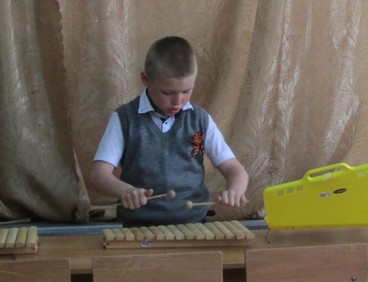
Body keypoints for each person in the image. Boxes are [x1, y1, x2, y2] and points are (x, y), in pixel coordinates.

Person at [89, 36, 249, 226]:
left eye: (186, 91)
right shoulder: (125, 119)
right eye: (167, 93)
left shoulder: (199, 119)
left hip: (194, 224)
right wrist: (124, 190)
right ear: (146, 79)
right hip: (139, 227)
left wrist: (235, 190)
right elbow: (99, 174)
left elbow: (234, 169)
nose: (178, 101)